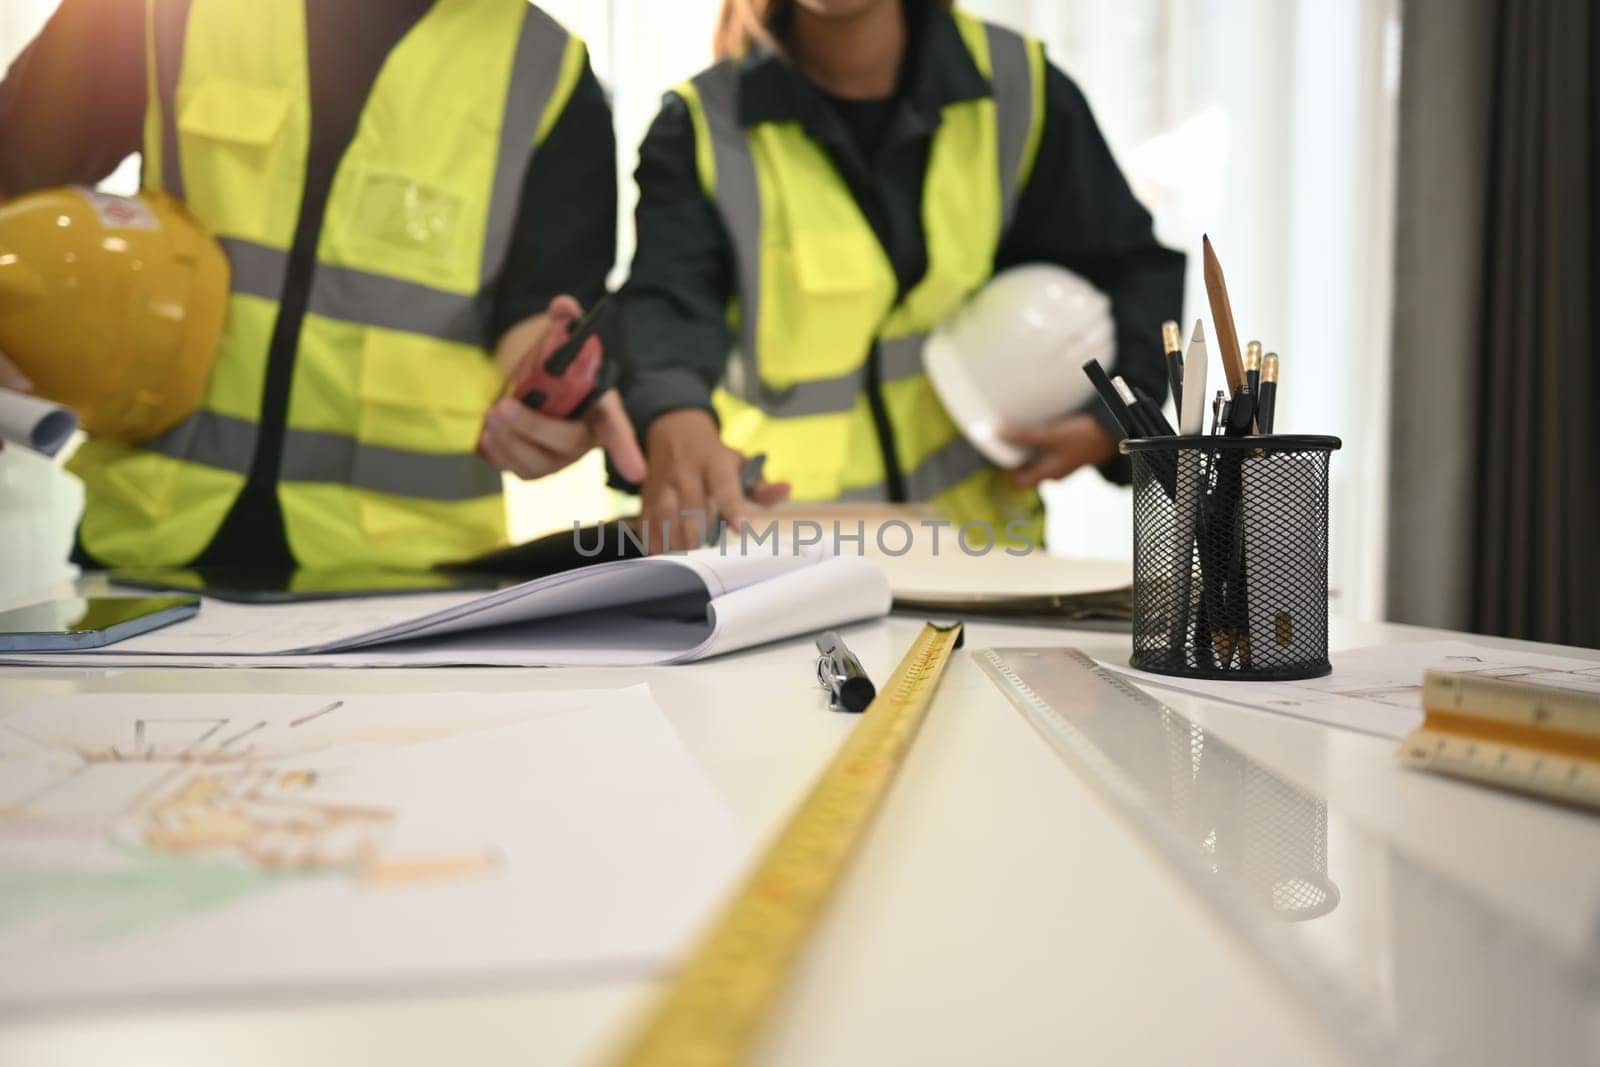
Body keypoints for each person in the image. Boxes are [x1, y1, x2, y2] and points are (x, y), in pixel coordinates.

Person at [0, 0, 646, 571]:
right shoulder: (155, 8)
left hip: (415, 584)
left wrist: (542, 413)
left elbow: (540, 314)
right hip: (148, 557)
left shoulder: (549, 71)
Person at [621, 0, 1184, 552]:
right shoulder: (699, 127)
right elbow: (667, 308)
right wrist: (673, 411)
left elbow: (1129, 269)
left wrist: (1112, 419)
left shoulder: (1019, 87)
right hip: (782, 571)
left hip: (988, 568)